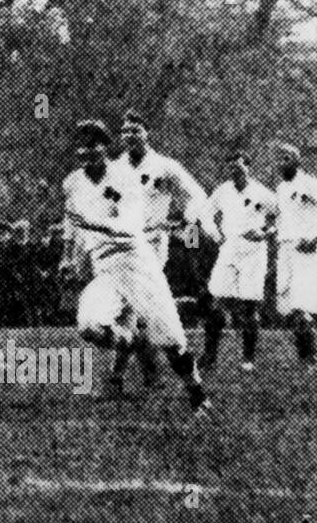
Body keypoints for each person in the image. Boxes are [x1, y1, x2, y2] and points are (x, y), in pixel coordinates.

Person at [62, 120, 208, 414]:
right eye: (83, 146)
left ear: (105, 147)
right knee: (89, 326)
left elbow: (129, 225)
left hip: (137, 263)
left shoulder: (125, 178)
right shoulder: (72, 183)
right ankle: (131, 339)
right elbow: (72, 224)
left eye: (94, 145)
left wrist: (92, 223)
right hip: (106, 267)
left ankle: (198, 395)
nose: (88, 151)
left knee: (171, 342)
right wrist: (69, 258)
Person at [200, 151, 277, 373]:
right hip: (229, 249)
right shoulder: (222, 191)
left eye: (239, 166)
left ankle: (248, 360)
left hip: (254, 253)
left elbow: (280, 217)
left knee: (249, 306)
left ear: (248, 168)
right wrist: (217, 236)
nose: (235, 171)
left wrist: (265, 233)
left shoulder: (262, 193)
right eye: (231, 167)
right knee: (216, 304)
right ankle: (210, 356)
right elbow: (205, 214)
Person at [272, 142, 317, 368]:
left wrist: (314, 238)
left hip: (305, 250)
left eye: (287, 158)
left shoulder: (311, 185)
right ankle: (303, 358)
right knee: (288, 308)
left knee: (303, 306)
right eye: (279, 159)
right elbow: (282, 220)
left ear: (297, 161)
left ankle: (309, 361)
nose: (282, 163)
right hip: (285, 250)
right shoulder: (281, 189)